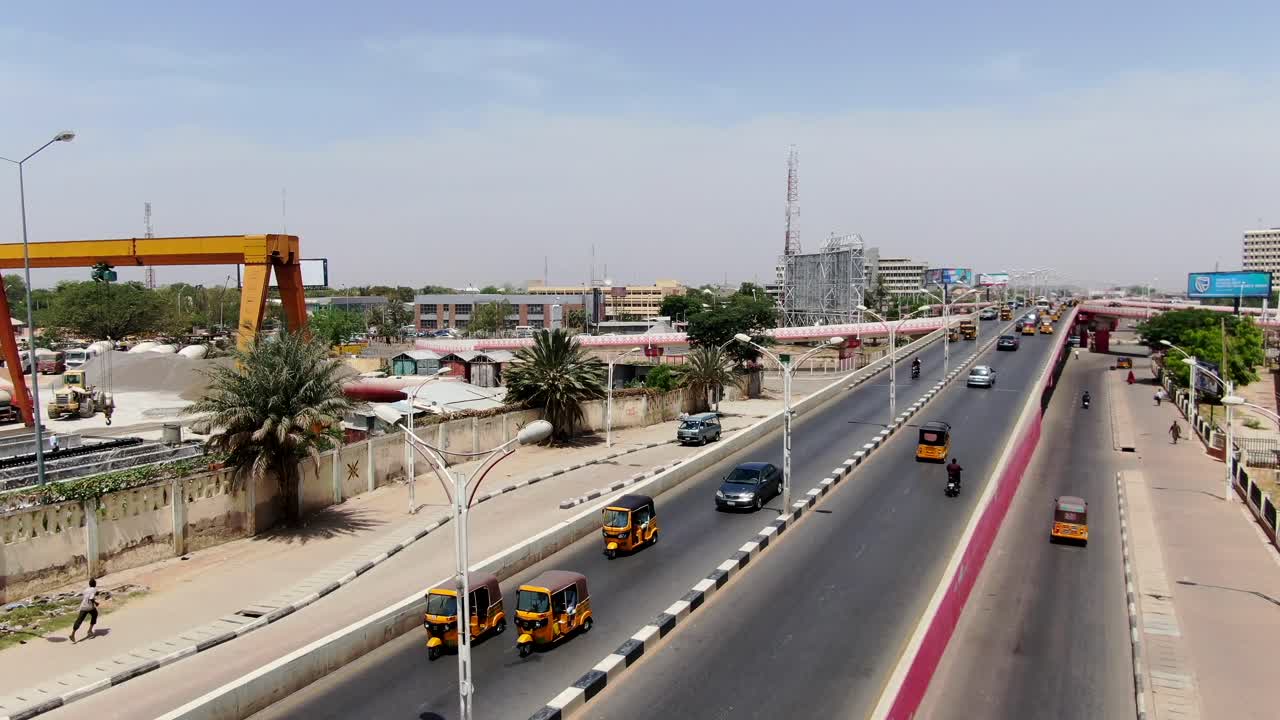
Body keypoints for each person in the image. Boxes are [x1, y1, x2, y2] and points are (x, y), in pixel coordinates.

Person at [69, 578, 99, 643]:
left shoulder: (86, 589)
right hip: (89, 607)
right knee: (95, 614)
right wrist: (96, 603)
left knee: (79, 620)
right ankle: (90, 630)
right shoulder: (94, 589)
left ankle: (72, 634)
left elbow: (87, 596)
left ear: (89, 584)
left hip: (83, 606)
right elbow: (91, 598)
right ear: (95, 584)